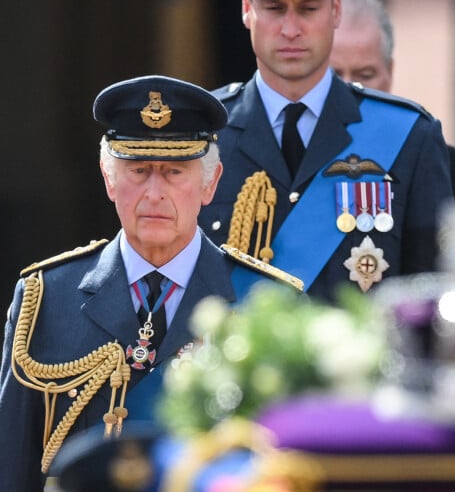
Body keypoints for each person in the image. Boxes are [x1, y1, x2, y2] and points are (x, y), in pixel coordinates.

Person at [0, 75, 301, 491]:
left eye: (175, 172)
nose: (154, 192)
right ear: (109, 179)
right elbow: (11, 465)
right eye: (138, 171)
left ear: (210, 183)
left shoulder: (267, 303)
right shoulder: (47, 297)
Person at [197, 0, 453, 301]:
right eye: (274, 8)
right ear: (246, 10)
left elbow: (432, 290)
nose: (290, 29)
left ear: (335, 11)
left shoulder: (408, 136)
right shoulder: (201, 135)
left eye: (307, 9)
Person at [330, 0, 455, 273]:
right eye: (335, 75)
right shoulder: (287, 159)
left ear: (390, 71)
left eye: (365, 74)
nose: (352, 89)